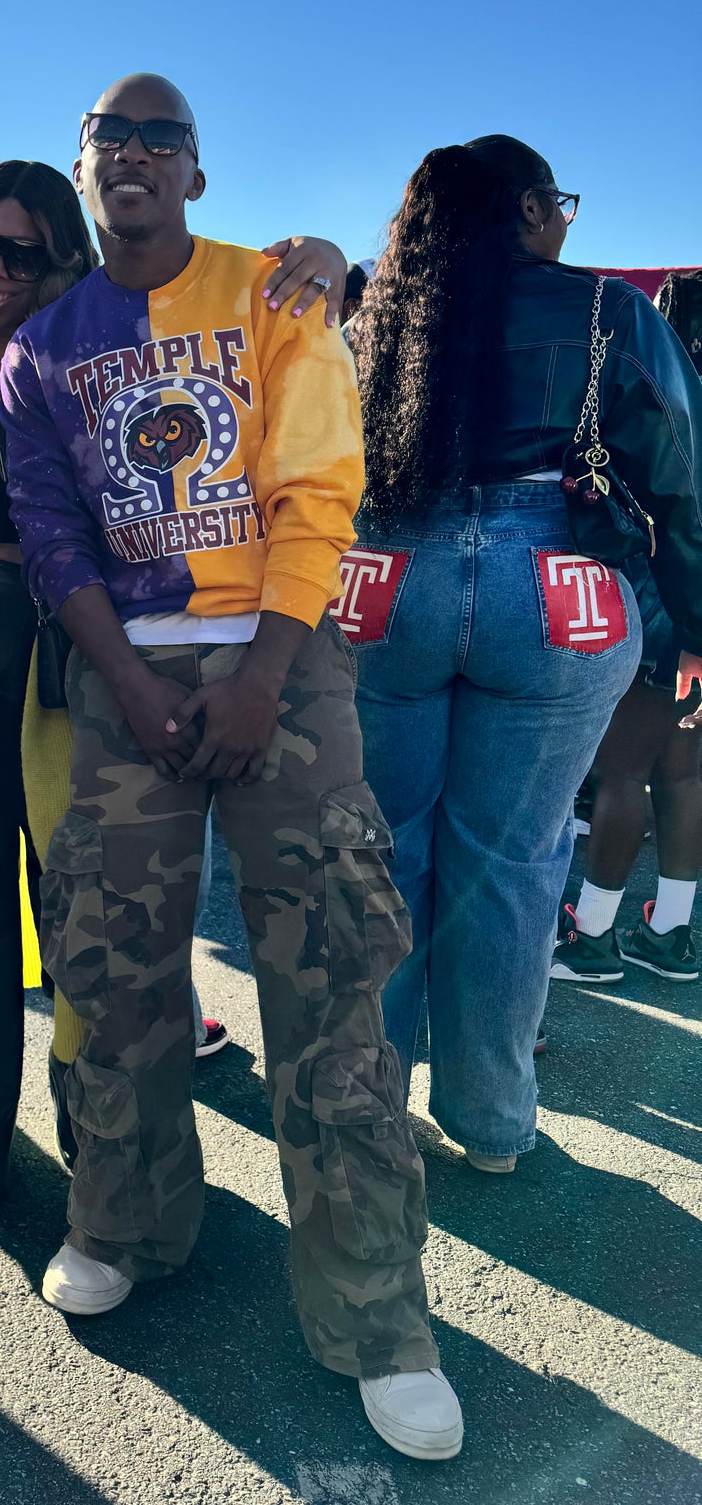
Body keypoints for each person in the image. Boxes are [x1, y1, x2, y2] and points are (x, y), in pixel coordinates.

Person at [0, 76, 458, 1462]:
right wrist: (130, 677)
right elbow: (48, 527)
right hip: (123, 666)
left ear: (195, 172)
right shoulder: (43, 348)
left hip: (281, 657)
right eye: (109, 138)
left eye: (160, 138)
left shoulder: (274, 300)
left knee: (330, 969)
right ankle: (122, 1219)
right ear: (85, 168)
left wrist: (260, 672)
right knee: (111, 958)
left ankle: (378, 1310)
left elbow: (321, 488)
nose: (132, 156)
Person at [0, 158, 346, 1204]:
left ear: (62, 259)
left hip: (65, 654)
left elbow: (228, 314)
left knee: (84, 899)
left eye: (22, 252)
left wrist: (333, 261)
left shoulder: (86, 355)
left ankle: (97, 1137)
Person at [347, 138, 702, 1181]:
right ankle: (492, 1120)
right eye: (560, 205)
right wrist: (692, 627)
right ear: (528, 210)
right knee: (508, 861)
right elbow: (681, 475)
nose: (565, 224)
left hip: (386, 584)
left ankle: (369, 1107)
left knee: (386, 852)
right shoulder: (607, 311)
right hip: (556, 590)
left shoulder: (379, 317)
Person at [551, 272, 702, 986]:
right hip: (694, 611)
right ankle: (669, 930)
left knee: (622, 771)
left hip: (665, 598)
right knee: (685, 770)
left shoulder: (658, 390)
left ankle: (595, 935)